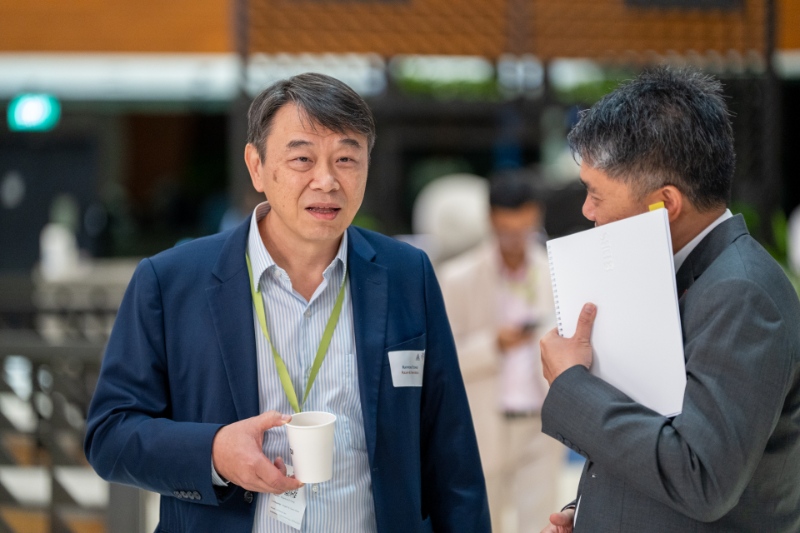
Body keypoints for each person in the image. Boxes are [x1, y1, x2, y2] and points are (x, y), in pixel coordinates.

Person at [84, 72, 490, 533]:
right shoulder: (171, 282)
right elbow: (110, 434)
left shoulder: (406, 274)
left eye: (346, 159)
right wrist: (214, 451)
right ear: (256, 166)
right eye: (302, 159)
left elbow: (452, 454)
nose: (327, 181)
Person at [539, 66, 800, 532]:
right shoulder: (677, 269)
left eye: (597, 194)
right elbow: (652, 432)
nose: (587, 210)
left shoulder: (743, 294)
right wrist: (591, 512)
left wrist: (572, 382)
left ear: (666, 203)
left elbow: (701, 477)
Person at [439, 173, 565, 533]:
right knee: (483, 518)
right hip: (484, 420)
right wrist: (493, 344)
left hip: (541, 420)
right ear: (491, 219)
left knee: (541, 522)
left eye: (524, 229)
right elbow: (443, 359)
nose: (516, 239)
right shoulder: (458, 277)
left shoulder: (555, 271)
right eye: (507, 230)